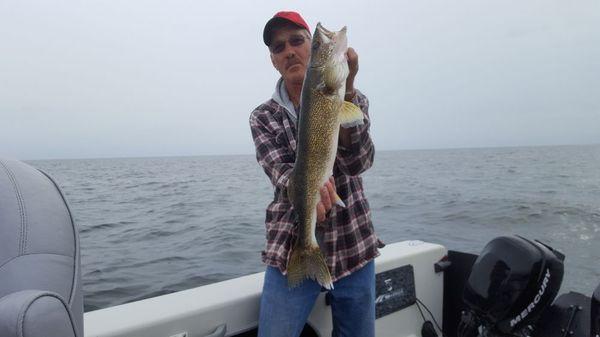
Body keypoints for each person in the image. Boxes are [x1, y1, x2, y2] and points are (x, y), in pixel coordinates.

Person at [249, 11, 383, 337]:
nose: (289, 50)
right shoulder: (263, 117)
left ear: (310, 48)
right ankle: (307, 254)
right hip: (292, 245)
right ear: (273, 61)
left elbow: (359, 163)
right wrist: (310, 190)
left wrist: (347, 90)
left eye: (298, 40)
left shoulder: (351, 99)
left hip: (353, 243)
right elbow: (280, 173)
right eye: (279, 47)